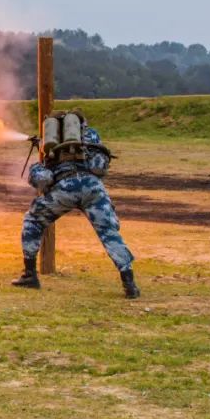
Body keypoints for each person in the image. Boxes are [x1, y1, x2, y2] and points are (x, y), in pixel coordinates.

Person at [12, 115, 140, 298]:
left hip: (65, 187)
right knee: (109, 233)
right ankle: (129, 284)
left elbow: (45, 176)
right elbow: (100, 166)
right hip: (93, 187)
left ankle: (29, 275)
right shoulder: (90, 135)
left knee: (33, 220)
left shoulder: (49, 140)